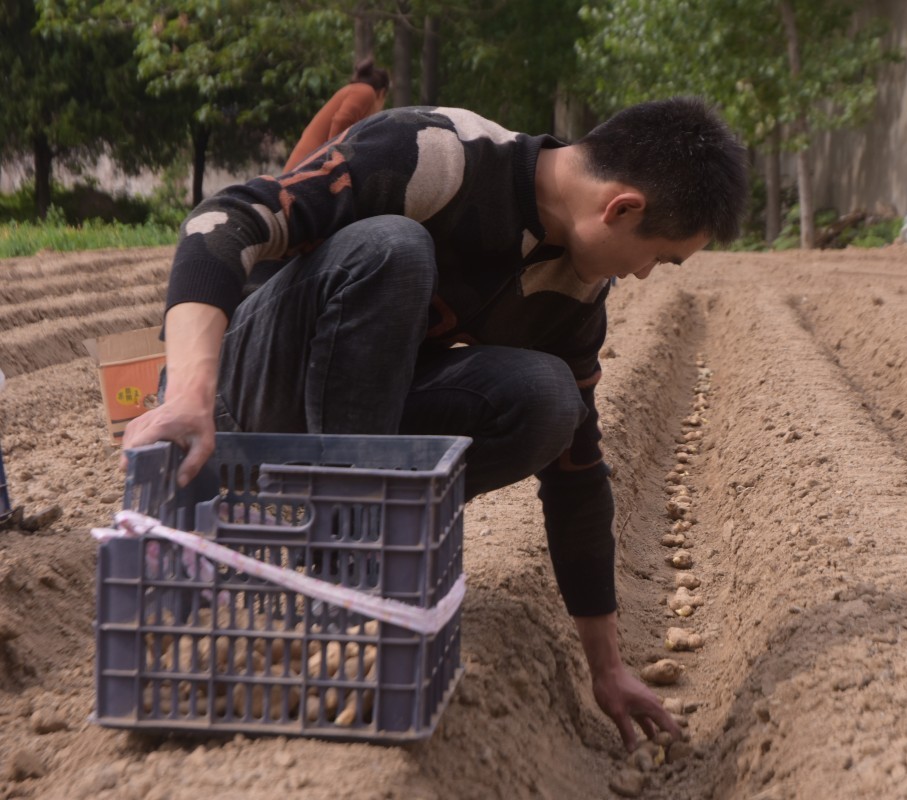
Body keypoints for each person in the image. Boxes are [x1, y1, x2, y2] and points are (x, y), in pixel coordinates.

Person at [123, 97, 748, 751]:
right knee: (393, 249)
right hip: (242, 393)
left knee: (550, 400)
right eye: (659, 257)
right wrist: (189, 390)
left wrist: (607, 667)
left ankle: (358, 556)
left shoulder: (571, 290)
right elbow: (222, 220)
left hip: (349, 413)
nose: (644, 274)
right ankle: (350, 576)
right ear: (622, 209)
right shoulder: (439, 156)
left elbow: (577, 473)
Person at [283, 58, 390, 173]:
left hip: (303, 166)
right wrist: (335, 162)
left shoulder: (354, 90)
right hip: (304, 170)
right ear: (382, 93)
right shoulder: (365, 92)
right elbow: (341, 121)